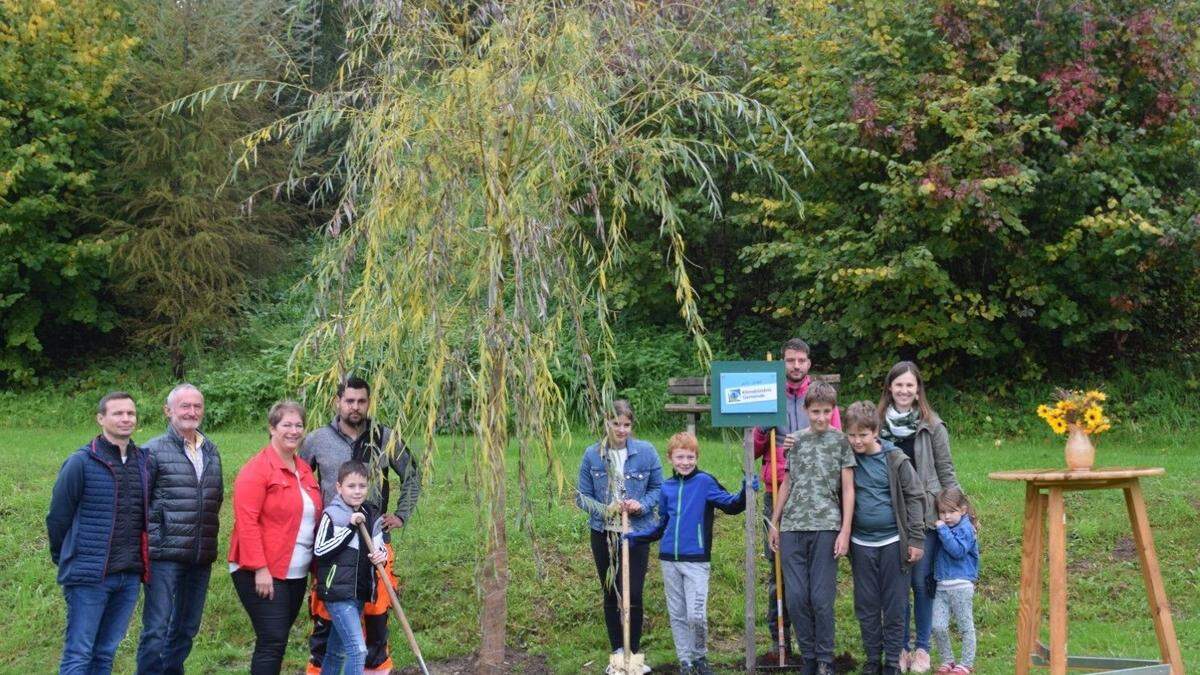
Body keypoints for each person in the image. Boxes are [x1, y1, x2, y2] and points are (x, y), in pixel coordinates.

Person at [300, 376, 421, 675]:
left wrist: (401, 514)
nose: (355, 407)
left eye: (361, 401)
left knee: (377, 615)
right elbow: (298, 482)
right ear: (338, 402)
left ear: (368, 403)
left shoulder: (384, 437)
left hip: (374, 542)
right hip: (334, 548)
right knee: (329, 620)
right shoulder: (317, 440)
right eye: (349, 401)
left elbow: (413, 475)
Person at [627, 432, 749, 675]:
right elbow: (661, 526)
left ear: (697, 457)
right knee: (678, 615)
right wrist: (637, 537)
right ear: (670, 458)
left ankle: (700, 656)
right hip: (669, 561)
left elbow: (733, 505)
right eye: (680, 457)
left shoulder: (705, 482)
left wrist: (746, 490)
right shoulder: (667, 488)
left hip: (696, 562)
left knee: (696, 615)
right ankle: (685, 661)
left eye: (690, 457)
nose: (685, 462)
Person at [750, 337, 842, 655]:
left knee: (814, 580)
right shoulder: (768, 395)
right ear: (782, 363)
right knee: (778, 572)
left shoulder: (819, 399)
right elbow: (753, 451)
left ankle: (815, 644)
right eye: (790, 361)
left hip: (814, 497)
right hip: (777, 492)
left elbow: (837, 443)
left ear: (809, 363)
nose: (796, 366)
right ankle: (781, 640)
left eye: (801, 360)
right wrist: (763, 430)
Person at [47, 391, 148, 675]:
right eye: (118, 413)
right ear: (101, 418)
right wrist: (67, 557)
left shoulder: (143, 462)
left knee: (104, 654)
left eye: (130, 413)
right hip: (89, 576)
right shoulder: (81, 462)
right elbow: (57, 519)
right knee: (79, 655)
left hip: (128, 576)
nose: (126, 418)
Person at [228, 400, 323, 675]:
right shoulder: (256, 470)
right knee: (272, 640)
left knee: (277, 640)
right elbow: (246, 522)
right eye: (286, 425)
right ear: (272, 428)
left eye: (298, 425)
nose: (293, 431)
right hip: (262, 570)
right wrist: (260, 568)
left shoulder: (304, 469)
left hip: (296, 571)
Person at [876, 362, 959, 673]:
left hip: (924, 515)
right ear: (889, 388)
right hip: (887, 514)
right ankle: (899, 646)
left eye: (910, 386)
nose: (904, 391)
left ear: (918, 389)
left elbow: (946, 472)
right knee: (896, 586)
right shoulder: (876, 426)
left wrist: (957, 509)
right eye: (899, 385)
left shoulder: (932, 425)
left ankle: (922, 648)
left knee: (922, 584)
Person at [136, 384, 224, 675]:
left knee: (187, 627)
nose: (192, 412)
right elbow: (140, 501)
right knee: (157, 628)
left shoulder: (211, 450)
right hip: (165, 554)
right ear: (168, 411)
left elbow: (216, 497)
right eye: (185, 406)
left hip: (200, 554)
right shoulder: (152, 450)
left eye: (197, 406)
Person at [768, 381, 855, 675]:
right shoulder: (796, 441)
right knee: (796, 597)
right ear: (805, 410)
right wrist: (775, 522)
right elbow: (787, 482)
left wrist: (845, 530)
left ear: (833, 411)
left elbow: (847, 489)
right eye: (815, 411)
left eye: (826, 412)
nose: (820, 417)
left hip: (826, 527)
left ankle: (824, 658)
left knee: (820, 598)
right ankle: (807, 656)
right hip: (793, 527)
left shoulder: (841, 442)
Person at [576, 400, 663, 674]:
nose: (621, 429)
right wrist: (606, 509)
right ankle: (617, 653)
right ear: (606, 423)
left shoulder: (646, 452)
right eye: (616, 424)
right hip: (604, 532)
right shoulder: (592, 455)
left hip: (636, 532)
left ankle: (633, 654)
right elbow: (582, 497)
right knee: (612, 591)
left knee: (633, 592)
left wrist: (642, 505)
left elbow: (658, 488)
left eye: (626, 424)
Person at [843, 401, 926, 675]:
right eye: (852, 435)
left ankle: (892, 660)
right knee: (866, 604)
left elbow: (915, 497)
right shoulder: (846, 459)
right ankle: (871, 659)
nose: (856, 441)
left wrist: (916, 539)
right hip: (861, 544)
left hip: (893, 542)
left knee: (895, 604)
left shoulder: (895, 459)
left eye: (862, 435)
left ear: (876, 432)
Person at [313, 460, 387, 675]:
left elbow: (379, 547)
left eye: (362, 486)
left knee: (336, 652)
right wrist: (349, 527)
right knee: (358, 650)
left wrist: (379, 556)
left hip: (359, 593)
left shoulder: (371, 515)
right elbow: (320, 550)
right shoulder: (333, 515)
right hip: (337, 593)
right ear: (339, 488)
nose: (357, 491)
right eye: (351, 486)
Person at [931, 488, 979, 675]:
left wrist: (942, 529)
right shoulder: (946, 529)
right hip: (942, 585)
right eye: (942, 512)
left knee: (965, 626)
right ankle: (947, 660)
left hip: (961, 585)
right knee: (938, 626)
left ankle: (966, 664)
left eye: (951, 512)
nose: (946, 516)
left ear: (963, 510)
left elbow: (957, 551)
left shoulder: (967, 529)